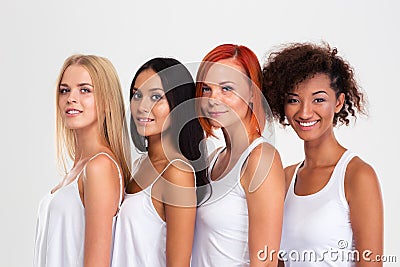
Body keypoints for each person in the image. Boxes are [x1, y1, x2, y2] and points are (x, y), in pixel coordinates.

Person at [262, 42, 383, 266]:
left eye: (318, 99)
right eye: (294, 100)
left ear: (338, 102)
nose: (305, 112)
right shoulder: (286, 178)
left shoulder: (356, 176)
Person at [192, 44, 285, 267]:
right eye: (207, 89)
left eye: (226, 89)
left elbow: (265, 262)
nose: (213, 98)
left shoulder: (261, 159)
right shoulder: (214, 158)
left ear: (253, 94)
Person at [34, 54, 131, 267]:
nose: (71, 98)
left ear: (107, 102)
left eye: (85, 90)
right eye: (64, 90)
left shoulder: (100, 167)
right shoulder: (80, 169)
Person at [111, 57, 208, 266]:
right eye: (137, 95)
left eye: (156, 96)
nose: (142, 106)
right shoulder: (138, 165)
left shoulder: (177, 172)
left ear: (178, 105)